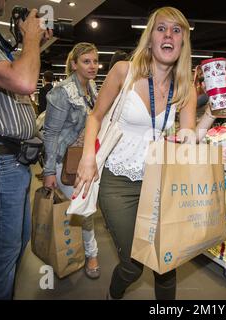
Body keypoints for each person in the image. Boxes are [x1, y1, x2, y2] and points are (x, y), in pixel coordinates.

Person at [72, 7, 197, 300]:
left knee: (166, 262)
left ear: (182, 42)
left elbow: (189, 141)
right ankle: (113, 296)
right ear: (150, 38)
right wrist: (88, 159)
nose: (168, 35)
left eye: (176, 30)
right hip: (118, 181)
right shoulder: (123, 72)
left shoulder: (185, 88)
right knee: (133, 264)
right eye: (161, 28)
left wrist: (213, 114)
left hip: (160, 184)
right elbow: (95, 116)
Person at [0, 0, 51, 299]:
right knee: (2, 256)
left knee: (14, 247)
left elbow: (17, 74)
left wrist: (30, 45)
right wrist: (30, 37)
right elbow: (24, 80)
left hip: (9, 163)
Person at [43, 42, 101, 279]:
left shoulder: (93, 88)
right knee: (82, 210)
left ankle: (83, 250)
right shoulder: (63, 91)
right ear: (74, 64)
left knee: (83, 209)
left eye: (95, 61)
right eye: (86, 61)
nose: (93, 66)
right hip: (66, 161)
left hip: (87, 160)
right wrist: (48, 171)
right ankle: (91, 253)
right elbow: (51, 133)